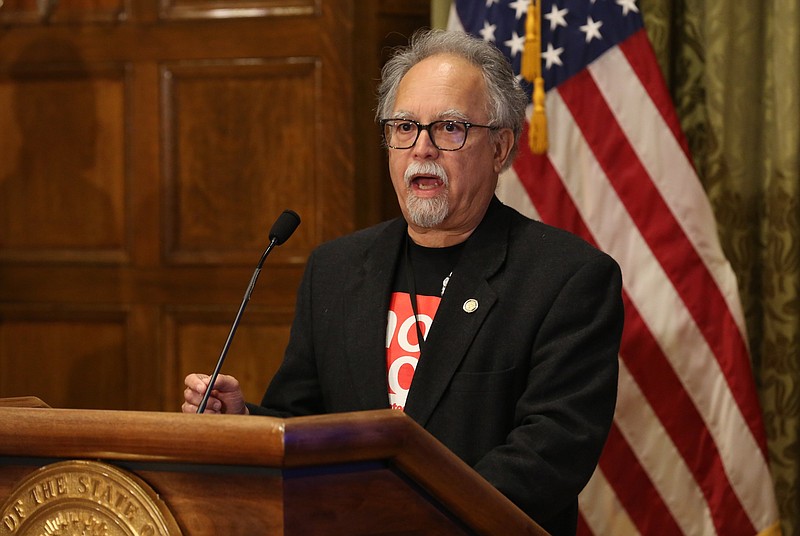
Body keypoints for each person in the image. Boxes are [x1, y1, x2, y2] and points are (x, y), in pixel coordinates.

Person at [183, 28, 623, 536]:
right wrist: (244, 419)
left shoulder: (566, 278)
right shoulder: (336, 269)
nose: (423, 148)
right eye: (406, 127)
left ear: (500, 148)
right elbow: (303, 422)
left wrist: (414, 520)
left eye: (450, 128)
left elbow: (552, 453)